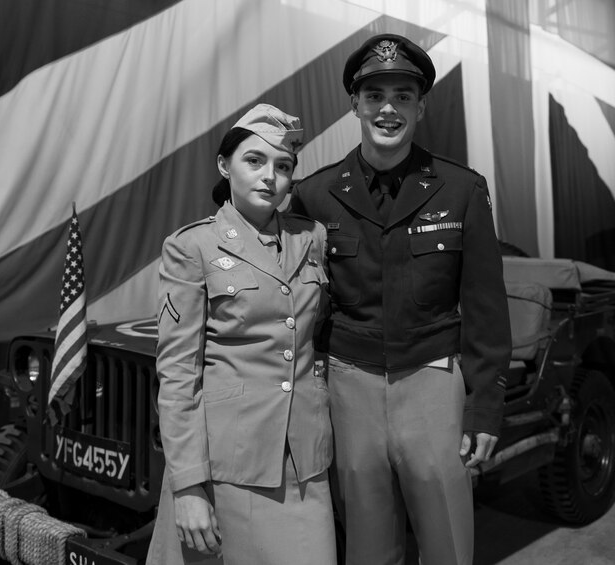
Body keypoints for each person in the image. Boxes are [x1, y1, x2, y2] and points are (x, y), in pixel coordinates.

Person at [289, 34, 511, 565]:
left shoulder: (461, 190)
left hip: (432, 380)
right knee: (367, 546)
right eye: (375, 96)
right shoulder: (315, 196)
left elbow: (484, 306)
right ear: (355, 105)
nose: (388, 109)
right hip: (350, 384)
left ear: (421, 105)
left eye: (403, 96)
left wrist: (484, 408)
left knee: (448, 544)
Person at [146, 103, 336, 565]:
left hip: (305, 463)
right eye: (254, 161)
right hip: (228, 466)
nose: (270, 176)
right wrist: (189, 485)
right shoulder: (192, 246)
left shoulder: (312, 238)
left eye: (283, 166)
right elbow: (177, 373)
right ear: (224, 165)